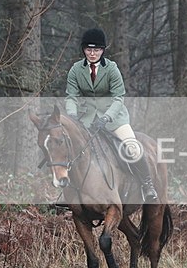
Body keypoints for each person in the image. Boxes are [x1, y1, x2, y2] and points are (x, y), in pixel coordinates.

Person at [65, 28, 158, 202]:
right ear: (83, 50)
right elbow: (71, 97)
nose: (92, 53)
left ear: (103, 50)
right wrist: (72, 115)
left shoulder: (112, 69)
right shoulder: (76, 70)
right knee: (69, 149)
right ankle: (68, 193)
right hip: (86, 120)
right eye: (89, 50)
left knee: (133, 148)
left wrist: (106, 117)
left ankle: (147, 186)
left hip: (114, 119)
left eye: (97, 50)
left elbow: (118, 98)